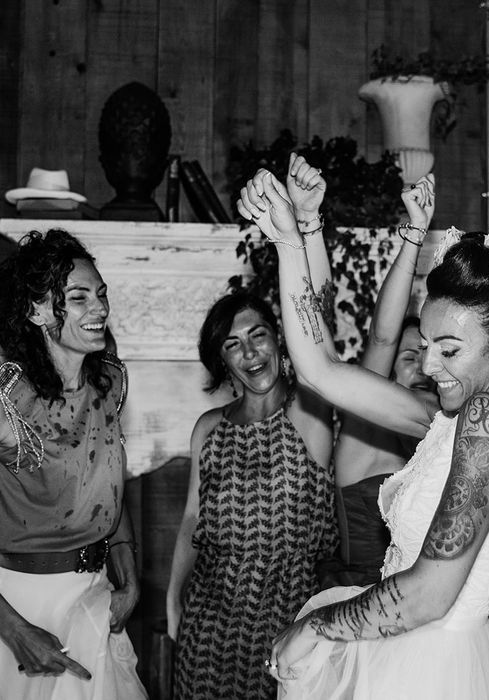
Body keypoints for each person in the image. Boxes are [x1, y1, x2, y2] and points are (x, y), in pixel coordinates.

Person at [237, 169, 489, 699]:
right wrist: (288, 240)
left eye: (450, 349)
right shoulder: (453, 417)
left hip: (435, 668)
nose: (429, 365)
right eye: (426, 346)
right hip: (403, 652)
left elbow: (427, 595)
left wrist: (316, 625)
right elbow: (320, 370)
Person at [167, 156, 339, 700]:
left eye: (259, 334)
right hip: (207, 627)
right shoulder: (209, 429)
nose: (250, 352)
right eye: (233, 344)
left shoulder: (309, 414)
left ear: (280, 340)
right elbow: (192, 520)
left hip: (287, 630)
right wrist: (173, 600)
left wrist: (306, 224)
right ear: (223, 361)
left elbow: (320, 315)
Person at [0, 229, 147, 700]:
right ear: (35, 311)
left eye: (101, 294)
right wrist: (14, 630)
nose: (99, 309)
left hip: (92, 600)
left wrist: (129, 577)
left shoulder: (112, 382)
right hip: (10, 605)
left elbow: (106, 486)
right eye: (79, 298)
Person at [320, 174, 438, 587]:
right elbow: (382, 337)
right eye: (410, 357)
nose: (425, 367)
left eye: (433, 354)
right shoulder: (367, 431)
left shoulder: (444, 429)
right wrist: (415, 237)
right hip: (361, 611)